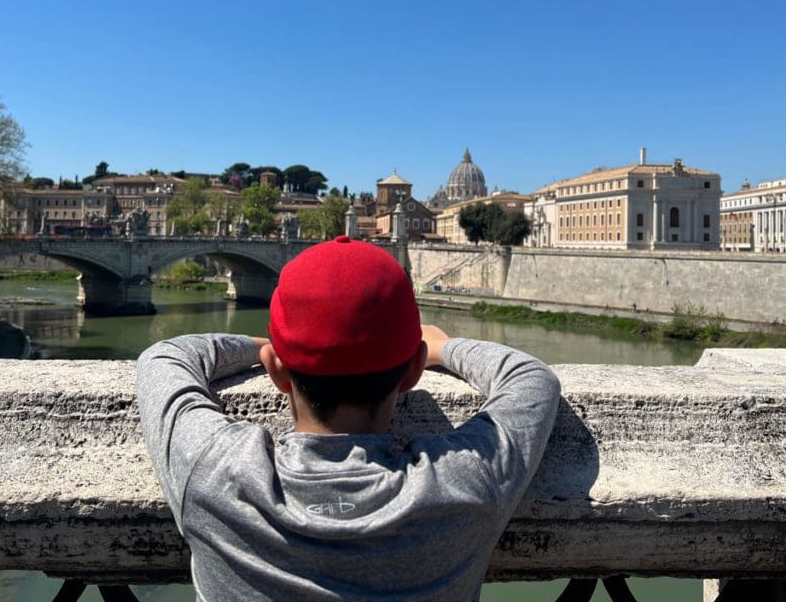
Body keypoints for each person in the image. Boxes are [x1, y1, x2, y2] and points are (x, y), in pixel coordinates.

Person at [137, 235, 561, 601]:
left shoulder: (211, 471)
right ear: (412, 371)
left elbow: (166, 357)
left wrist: (269, 347)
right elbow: (531, 378)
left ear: (276, 371)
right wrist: (443, 347)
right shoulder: (465, 482)